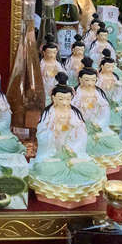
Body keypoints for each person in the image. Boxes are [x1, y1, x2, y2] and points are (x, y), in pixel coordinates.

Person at [29, 74, 106, 207]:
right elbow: (41, 135)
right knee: (43, 170)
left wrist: (73, 147)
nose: (65, 103)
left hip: (73, 154)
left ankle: (74, 168)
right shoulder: (48, 114)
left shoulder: (75, 114)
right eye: (61, 99)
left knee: (92, 170)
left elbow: (82, 135)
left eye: (68, 99)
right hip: (52, 155)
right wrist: (53, 134)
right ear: (53, 98)